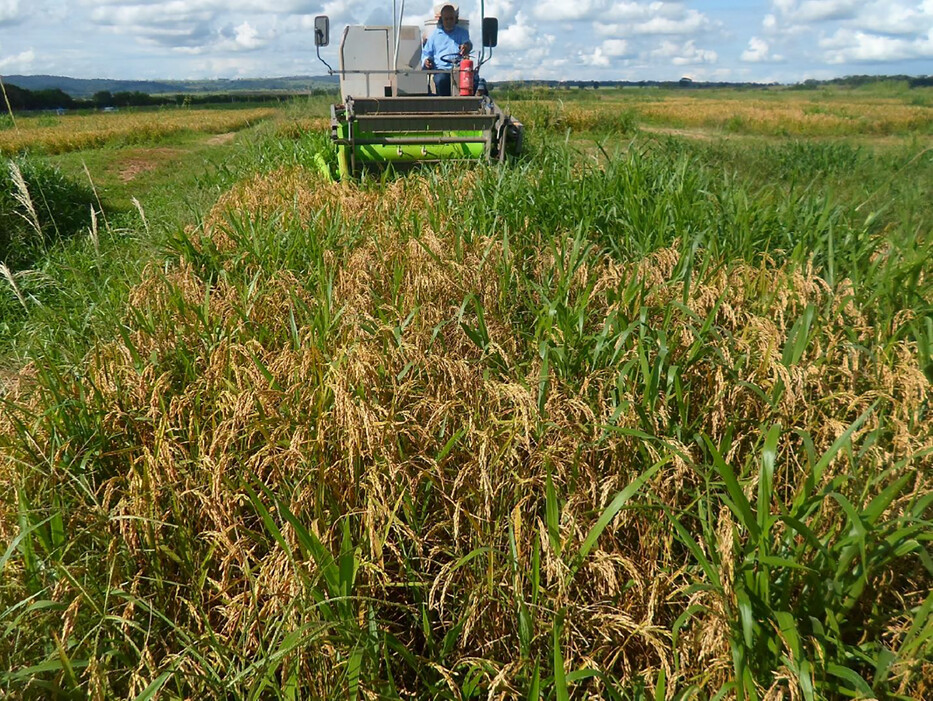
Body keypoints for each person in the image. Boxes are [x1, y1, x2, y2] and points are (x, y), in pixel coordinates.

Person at [421, 3, 472, 96]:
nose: (449, 21)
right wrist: (426, 61)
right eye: (446, 19)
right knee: (441, 80)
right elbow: (425, 53)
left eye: (451, 18)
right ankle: (445, 105)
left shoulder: (463, 33)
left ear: (455, 19)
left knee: (475, 81)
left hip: (459, 70)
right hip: (441, 70)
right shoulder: (434, 36)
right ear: (441, 20)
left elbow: (467, 43)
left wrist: (466, 47)